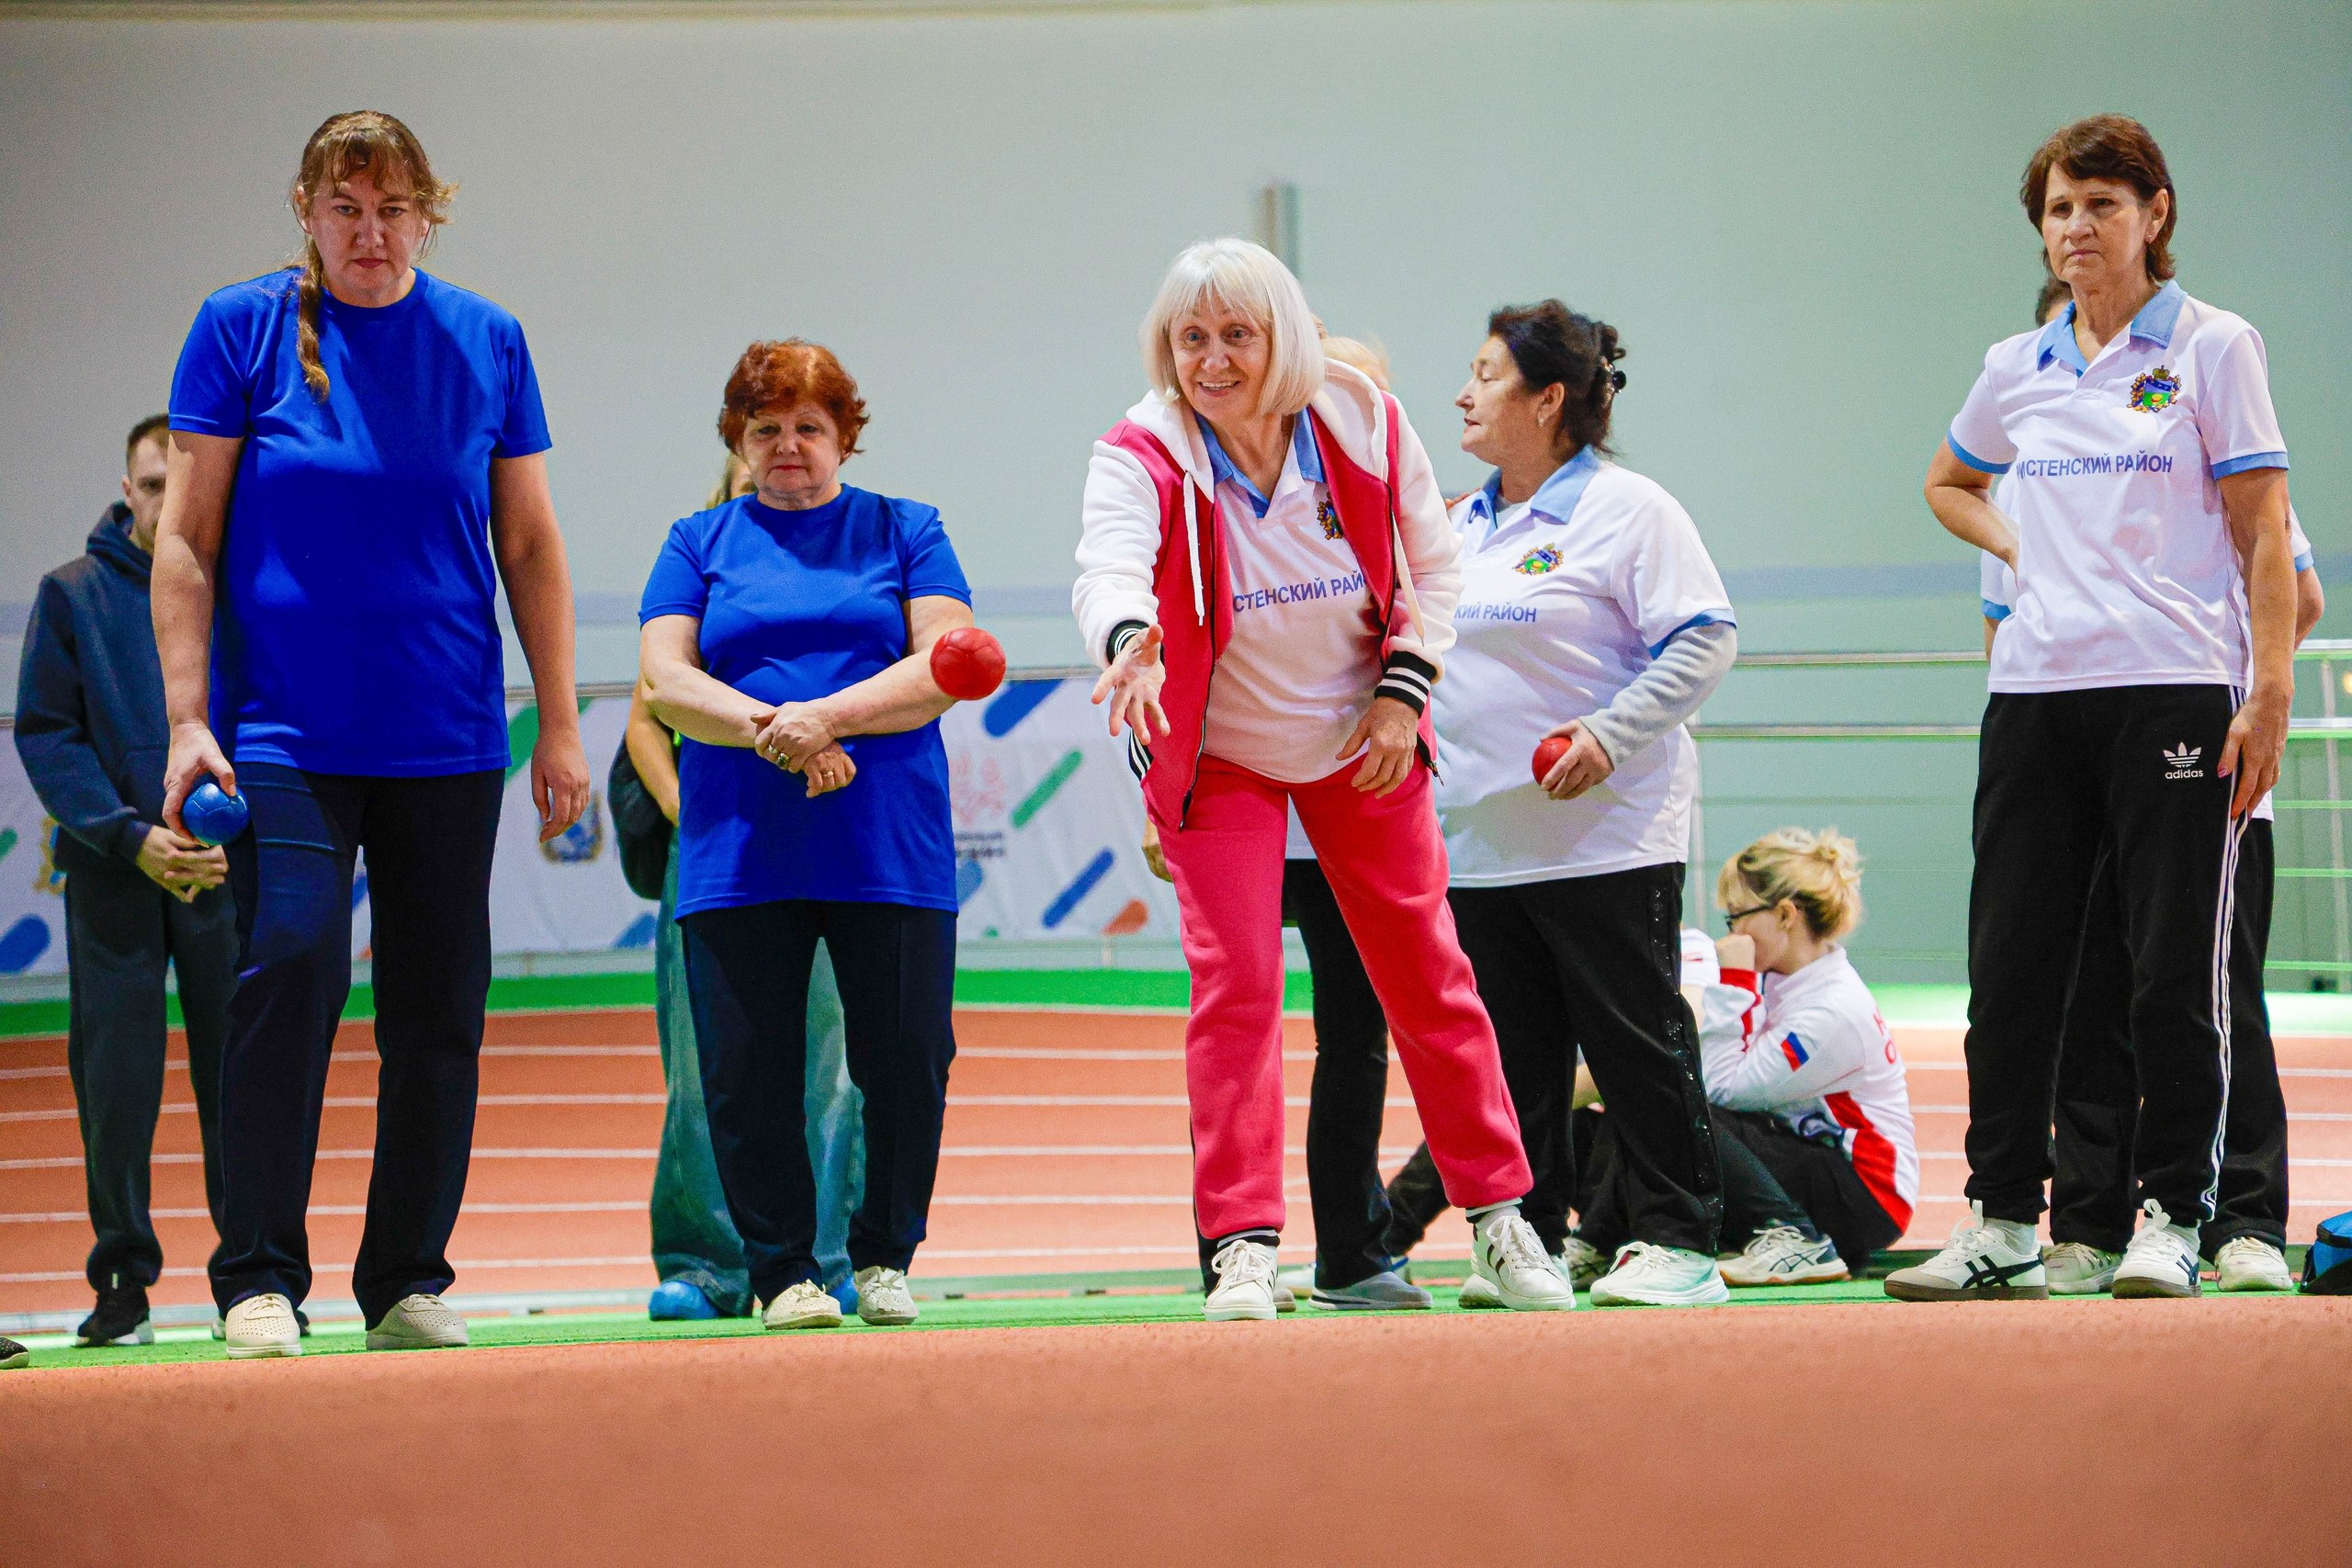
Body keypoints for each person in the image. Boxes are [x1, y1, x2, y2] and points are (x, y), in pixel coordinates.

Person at [153, 112, 590, 1358]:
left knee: (438, 1008)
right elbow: (186, 537)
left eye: (394, 210)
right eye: (345, 209)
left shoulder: (488, 339)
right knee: (289, 967)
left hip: (447, 732)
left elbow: (528, 542)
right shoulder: (238, 328)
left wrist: (560, 720)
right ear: (305, 210)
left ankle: (404, 1277)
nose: (370, 233)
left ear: (427, 216)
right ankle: (256, 1276)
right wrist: (186, 720)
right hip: (283, 733)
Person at [1076, 238, 1569, 1320]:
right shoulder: (1140, 450)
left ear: (1285, 339)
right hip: (1220, 755)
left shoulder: (1362, 417)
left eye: (1236, 335)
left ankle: (1501, 1222)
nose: (1212, 359)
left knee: (1429, 979)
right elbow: (1107, 565)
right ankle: (1241, 1245)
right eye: (1191, 338)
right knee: (1237, 992)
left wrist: (1402, 691)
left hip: (1363, 737)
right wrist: (1128, 637)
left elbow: (1433, 564)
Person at [1895, 114, 2296, 1302]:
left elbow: (2265, 531)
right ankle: (2002, 1219)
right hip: (2034, 694)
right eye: (2059, 209)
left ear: (2153, 214)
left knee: (2173, 974)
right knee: (2012, 973)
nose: (2076, 227)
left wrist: (2269, 691)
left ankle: (2173, 1213)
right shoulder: (2014, 364)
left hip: (2174, 686)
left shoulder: (2214, 345)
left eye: (2100, 205)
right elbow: (1947, 480)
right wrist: (2018, 542)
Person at [639, 338, 969, 1332]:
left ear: (845, 438)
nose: (788, 445)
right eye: (766, 427)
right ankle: (781, 1271)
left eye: (809, 428)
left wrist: (824, 718)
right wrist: (776, 732)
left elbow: (944, 664)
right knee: (748, 1074)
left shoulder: (908, 529)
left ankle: (883, 1259)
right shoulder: (696, 541)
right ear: (737, 440)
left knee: (907, 1059)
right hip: (740, 852)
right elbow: (666, 681)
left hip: (887, 845)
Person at [1430, 300, 1736, 1307]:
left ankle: (1680, 1242)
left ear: (1547, 398)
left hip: (1605, 841)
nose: (1462, 394)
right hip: (1481, 847)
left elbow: (1705, 639)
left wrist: (1608, 733)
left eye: (1485, 375)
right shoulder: (1456, 525)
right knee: (1513, 1061)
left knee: (1634, 1044)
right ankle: (1535, 1245)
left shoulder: (1630, 510)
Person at [1994, 514, 2324, 1295]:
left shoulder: (2204, 467)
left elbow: (2302, 596)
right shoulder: (2022, 488)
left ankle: (2243, 1223)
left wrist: (2237, 699)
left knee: (2212, 1002)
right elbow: (2004, 631)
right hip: (2081, 796)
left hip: (2205, 778)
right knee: (2089, 1008)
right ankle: (2091, 1228)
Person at [15, 413, 238, 1349]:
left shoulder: (233, 585)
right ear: (126, 489)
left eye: (178, 484)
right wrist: (127, 835)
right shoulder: (71, 595)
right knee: (115, 1085)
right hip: (114, 877)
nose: (164, 500)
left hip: (220, 873)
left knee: (239, 1078)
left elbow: (263, 715)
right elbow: (47, 735)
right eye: (151, 484)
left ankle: (252, 1276)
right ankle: (122, 1279)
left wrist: (236, 840)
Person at [628, 456, 865, 1321]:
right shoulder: (693, 587)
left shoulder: (852, 582)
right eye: (749, 475)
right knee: (705, 1065)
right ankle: (706, 1263)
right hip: (719, 849)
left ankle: (826, 1257)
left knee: (830, 1060)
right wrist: (685, 811)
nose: (774, 479)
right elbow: (646, 718)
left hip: (831, 844)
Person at [1685, 829, 1917, 1283]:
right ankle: (1602, 1240)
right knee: (1629, 1122)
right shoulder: (1782, 977)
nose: (1731, 935)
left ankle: (1793, 1237)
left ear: (1785, 914)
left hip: (1864, 1193)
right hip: (1805, 1154)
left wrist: (1735, 979)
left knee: (1687, 1111)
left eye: (1736, 917)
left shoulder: (1831, 1011)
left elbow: (1721, 1088)